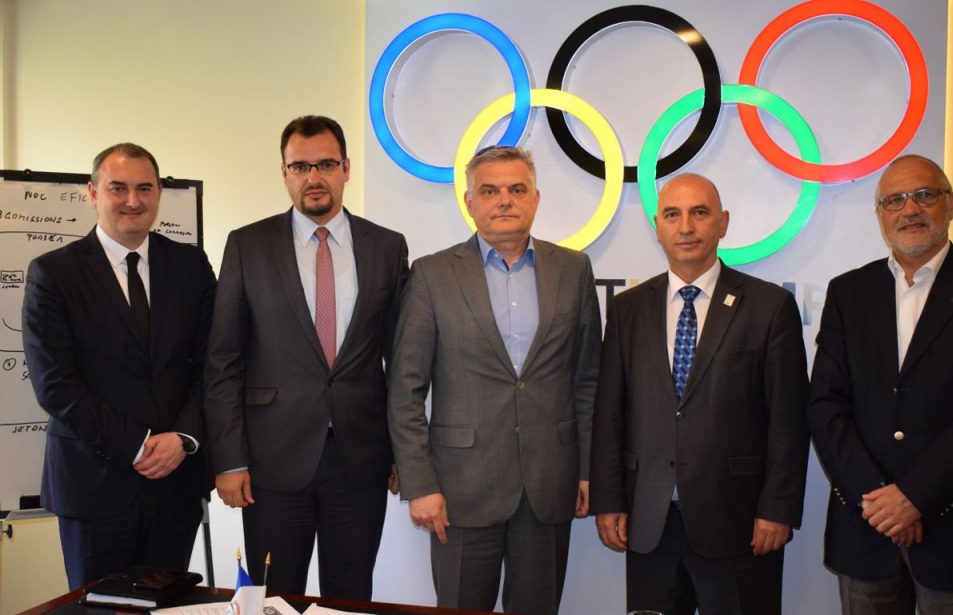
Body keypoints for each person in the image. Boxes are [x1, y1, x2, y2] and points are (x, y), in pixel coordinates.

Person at [387, 146, 601, 614]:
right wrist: (420, 483)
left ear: (536, 198)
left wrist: (588, 468)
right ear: (469, 202)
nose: (504, 200)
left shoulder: (573, 270)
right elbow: (405, 390)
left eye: (516, 189)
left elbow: (587, 380)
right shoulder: (432, 275)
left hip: (549, 485)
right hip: (460, 491)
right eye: (490, 191)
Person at [807, 154, 953, 614]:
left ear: (951, 204)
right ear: (880, 214)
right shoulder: (848, 292)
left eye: (925, 195)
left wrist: (913, 498)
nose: (910, 210)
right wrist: (879, 502)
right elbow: (826, 405)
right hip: (864, 530)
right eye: (894, 200)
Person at [204, 115, 408, 599]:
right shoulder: (247, 245)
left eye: (324, 164)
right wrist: (229, 459)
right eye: (300, 166)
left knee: (350, 596)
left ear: (346, 168)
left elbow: (402, 361)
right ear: (284, 173)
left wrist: (404, 452)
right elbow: (222, 362)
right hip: (271, 462)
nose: (313, 177)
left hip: (360, 459)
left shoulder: (387, 246)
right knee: (274, 597)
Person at [590, 173, 809, 615]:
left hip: (740, 523)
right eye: (673, 214)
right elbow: (609, 413)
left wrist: (778, 509)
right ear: (658, 226)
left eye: (699, 213)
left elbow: (788, 419)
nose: (686, 226)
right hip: (649, 522)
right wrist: (609, 499)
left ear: (722, 223)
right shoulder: (628, 310)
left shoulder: (769, 307)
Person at [22, 143, 215, 589]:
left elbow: (213, 364)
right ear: (92, 193)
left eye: (145, 188)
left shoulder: (191, 265)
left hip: (176, 485)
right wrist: (140, 445)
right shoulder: (53, 273)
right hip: (94, 487)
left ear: (158, 194)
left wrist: (183, 439)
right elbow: (56, 385)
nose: (133, 200)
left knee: (167, 606)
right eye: (118, 188)